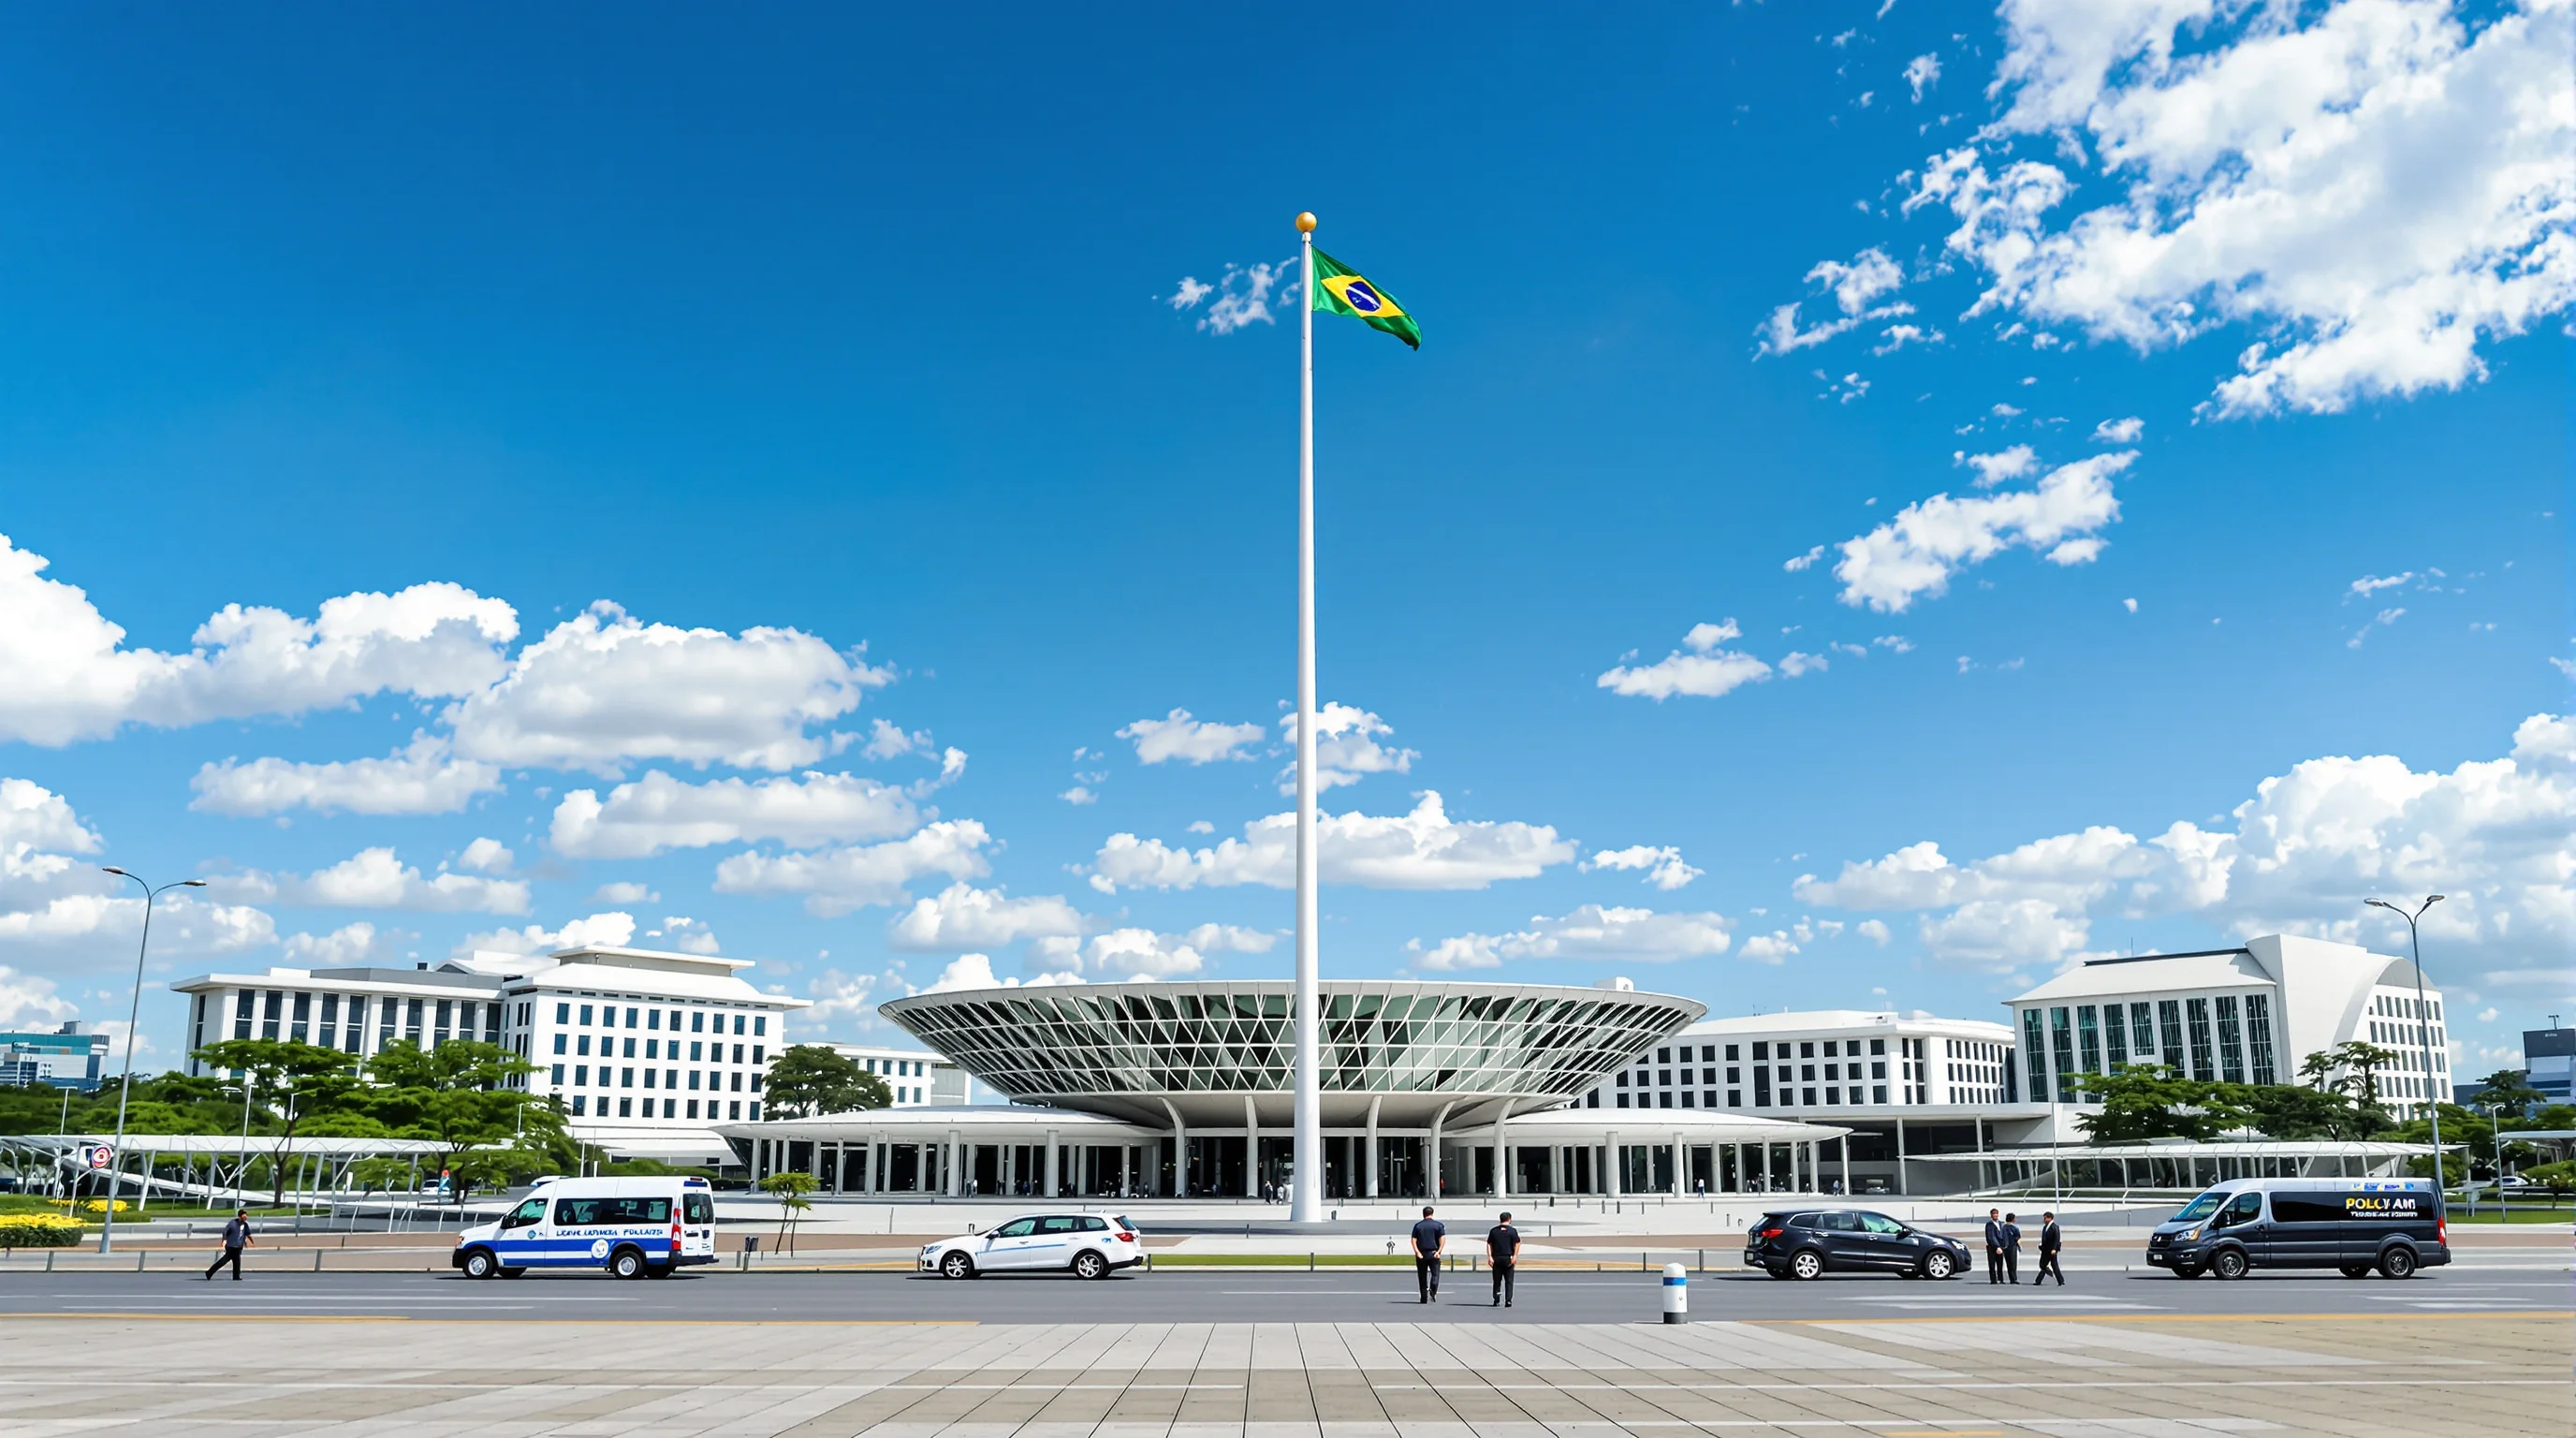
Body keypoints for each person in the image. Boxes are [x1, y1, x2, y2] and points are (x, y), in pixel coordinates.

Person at [1411, 1205, 1446, 1304]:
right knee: (1435, 1274)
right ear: (1432, 1213)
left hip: (1421, 1253)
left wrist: (1417, 1252)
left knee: (1422, 1276)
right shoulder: (1438, 1225)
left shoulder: (1418, 1226)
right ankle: (1433, 1289)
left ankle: (1423, 1298)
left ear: (1423, 1214)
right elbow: (1442, 1239)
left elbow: (1413, 1240)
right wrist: (1439, 1251)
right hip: (1434, 1252)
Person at [205, 1208, 253, 1282]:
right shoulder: (233, 1223)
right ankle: (209, 1272)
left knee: (237, 1261)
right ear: (240, 1216)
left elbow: (247, 1234)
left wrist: (250, 1242)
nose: (245, 1218)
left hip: (238, 1246)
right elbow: (225, 1232)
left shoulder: (245, 1225)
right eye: (244, 1217)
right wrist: (224, 1240)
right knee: (225, 1260)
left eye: (246, 1217)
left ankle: (236, 1276)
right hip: (231, 1246)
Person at [1486, 1211, 1521, 1307]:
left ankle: (1496, 1299)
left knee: (1497, 1281)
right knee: (1509, 1281)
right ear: (1509, 1219)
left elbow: (1489, 1244)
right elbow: (1517, 1243)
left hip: (1496, 1258)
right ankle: (1508, 1300)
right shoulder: (1512, 1231)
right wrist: (1515, 1256)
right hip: (1508, 1258)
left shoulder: (1494, 1231)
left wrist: (1490, 1257)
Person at [2035, 1211, 2065, 1286]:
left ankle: (2060, 1281)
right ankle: (2041, 1279)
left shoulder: (2055, 1227)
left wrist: (2054, 1249)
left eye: (2045, 1218)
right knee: (2042, 1264)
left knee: (2054, 1265)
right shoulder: (2045, 1227)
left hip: (2051, 1250)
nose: (2044, 1220)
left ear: (2050, 1218)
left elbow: (2056, 1239)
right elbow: (2044, 1238)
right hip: (2045, 1249)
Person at [1983, 1207, 2007, 1284]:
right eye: (1994, 1214)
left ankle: (2000, 1279)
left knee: (2000, 1264)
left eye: (1996, 1214)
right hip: (1992, 1247)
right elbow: (1991, 1237)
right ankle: (1993, 1280)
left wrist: (2003, 1246)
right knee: (1992, 1264)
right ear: (1991, 1215)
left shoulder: (2001, 1223)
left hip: (2000, 1247)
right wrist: (1997, 1247)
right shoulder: (1989, 1224)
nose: (1995, 1215)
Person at [1998, 1211, 2023, 1285]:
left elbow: (2001, 1237)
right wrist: (2020, 1246)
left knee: (2008, 1263)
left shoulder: (2003, 1227)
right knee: (2013, 1263)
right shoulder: (2015, 1227)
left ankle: (2011, 1277)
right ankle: (2014, 1279)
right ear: (2013, 1219)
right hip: (2012, 1247)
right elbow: (2017, 1237)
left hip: (2005, 1247)